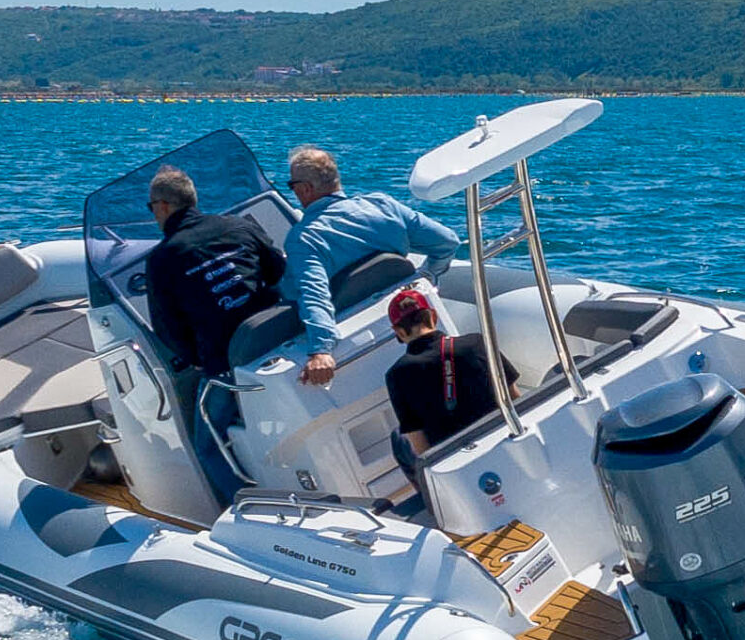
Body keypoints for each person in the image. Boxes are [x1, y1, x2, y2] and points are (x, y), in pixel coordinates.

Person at [143, 163, 286, 504]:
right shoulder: (237, 226)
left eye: (152, 207)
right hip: (278, 341)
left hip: (226, 365)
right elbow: (277, 270)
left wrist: (198, 361)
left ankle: (248, 508)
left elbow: (168, 328)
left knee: (207, 445)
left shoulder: (163, 259)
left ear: (163, 206)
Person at [281, 146, 460, 387]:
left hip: (355, 338)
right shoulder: (382, 205)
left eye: (292, 185)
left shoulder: (304, 238)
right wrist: (427, 276)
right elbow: (447, 242)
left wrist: (321, 350)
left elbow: (314, 295)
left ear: (305, 188)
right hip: (413, 319)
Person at [384, 289, 519, 465]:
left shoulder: (397, 375)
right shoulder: (476, 343)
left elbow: (420, 445)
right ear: (433, 316)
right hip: (502, 439)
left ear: (399, 332)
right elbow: (515, 398)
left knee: (398, 438)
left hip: (456, 462)